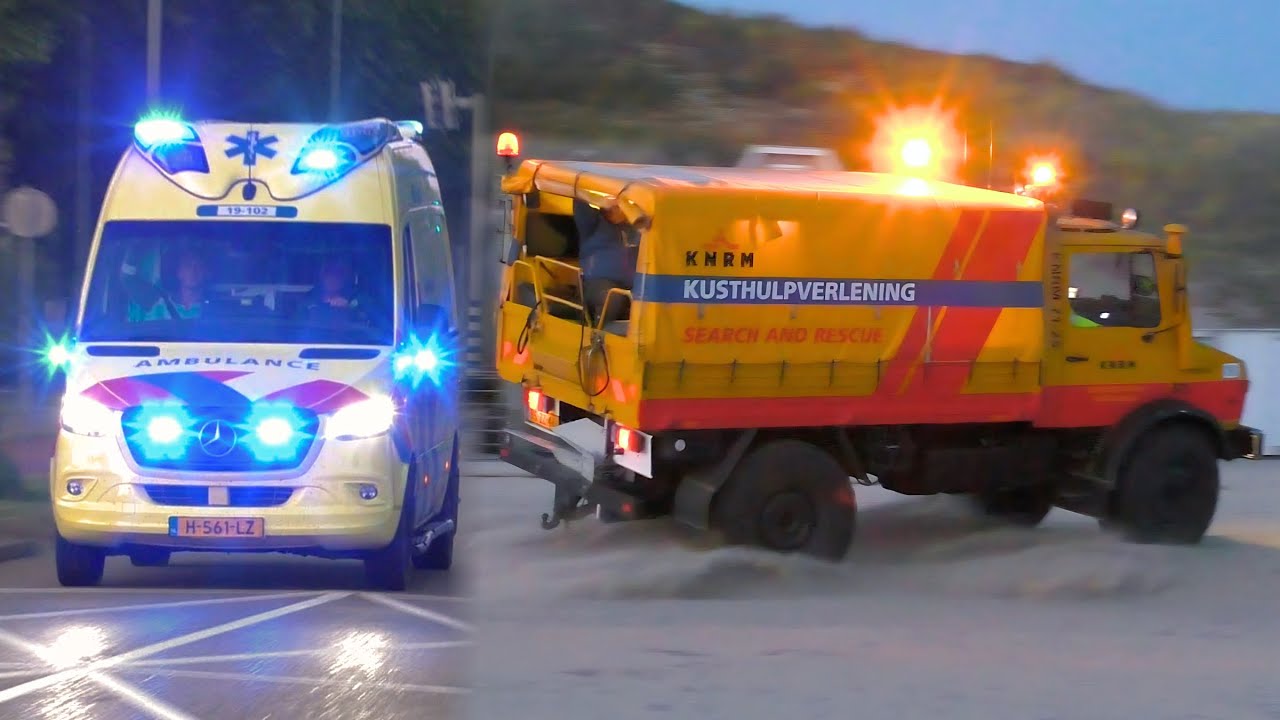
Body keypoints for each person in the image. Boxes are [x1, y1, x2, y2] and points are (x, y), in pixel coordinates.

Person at [573, 198, 637, 324]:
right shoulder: (592, 223)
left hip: (634, 288)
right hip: (598, 285)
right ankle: (599, 336)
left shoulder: (637, 227)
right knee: (612, 298)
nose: (614, 206)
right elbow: (579, 199)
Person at [127, 248, 209, 321]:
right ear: (179, 272)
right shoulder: (160, 307)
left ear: (206, 272)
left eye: (199, 265)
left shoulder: (212, 310)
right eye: (188, 265)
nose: (193, 270)